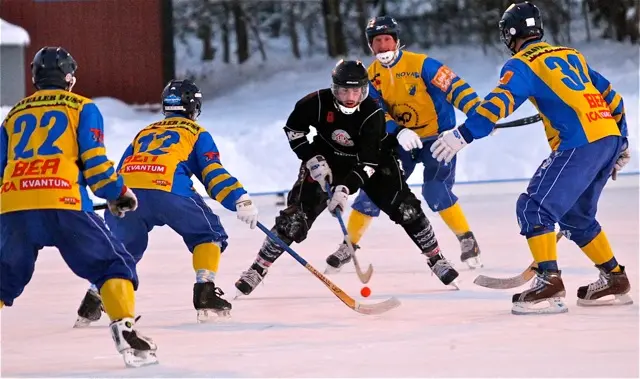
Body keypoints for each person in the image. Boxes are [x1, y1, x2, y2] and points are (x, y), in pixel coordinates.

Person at [430, 1, 633, 315]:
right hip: (608, 137)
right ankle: (615, 278)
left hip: (579, 143)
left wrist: (463, 134)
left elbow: (499, 102)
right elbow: (613, 98)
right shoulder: (570, 55)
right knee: (576, 217)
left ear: (511, 34)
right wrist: (621, 144)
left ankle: (549, 281)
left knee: (533, 207)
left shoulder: (523, 63)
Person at [234, 59, 460, 297]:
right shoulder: (315, 103)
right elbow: (294, 131)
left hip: (374, 161)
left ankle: (436, 258)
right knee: (294, 219)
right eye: (344, 90)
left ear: (364, 90)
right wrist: (311, 159)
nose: (350, 96)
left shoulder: (373, 113)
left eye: (356, 90)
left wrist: (344, 189)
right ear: (334, 88)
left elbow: (368, 163)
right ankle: (257, 268)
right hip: (327, 159)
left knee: (406, 209)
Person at [0, 46, 157, 367]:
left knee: (3, 278)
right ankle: (125, 329)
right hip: (65, 202)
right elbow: (95, 160)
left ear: (35, 77)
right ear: (70, 77)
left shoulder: (14, 114)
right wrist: (117, 192)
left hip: (14, 204)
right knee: (112, 265)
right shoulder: (82, 107)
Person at [73, 79, 258, 326]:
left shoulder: (145, 131)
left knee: (122, 249)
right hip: (168, 190)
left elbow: (120, 170)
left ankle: (93, 301)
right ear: (194, 107)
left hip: (130, 193)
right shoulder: (196, 133)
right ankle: (205, 293)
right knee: (208, 234)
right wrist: (239, 198)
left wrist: (114, 197)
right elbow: (212, 173)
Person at [325, 16, 483, 273]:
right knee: (375, 189)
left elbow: (457, 88)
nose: (384, 46)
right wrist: (397, 132)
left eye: (388, 39)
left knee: (436, 191)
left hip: (438, 140)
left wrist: (481, 115)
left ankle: (467, 238)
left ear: (397, 41)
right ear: (370, 46)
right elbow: (375, 112)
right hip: (402, 142)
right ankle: (349, 244)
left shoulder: (423, 64)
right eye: (378, 41)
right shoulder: (370, 76)